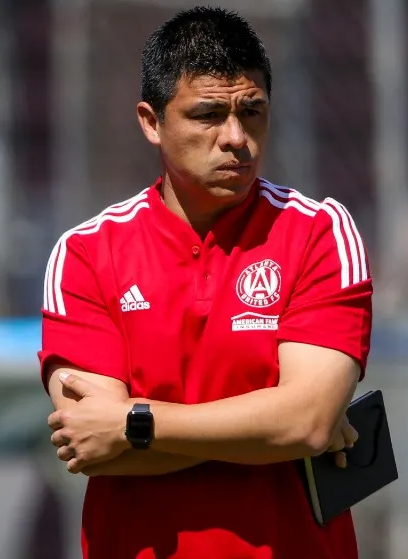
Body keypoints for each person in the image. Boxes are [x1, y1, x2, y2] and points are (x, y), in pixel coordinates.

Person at [39, 6, 372, 559]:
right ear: (151, 122)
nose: (236, 138)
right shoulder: (87, 253)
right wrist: (275, 427)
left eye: (252, 112)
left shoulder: (319, 231)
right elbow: (94, 446)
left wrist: (136, 422)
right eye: (208, 114)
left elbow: (308, 424)